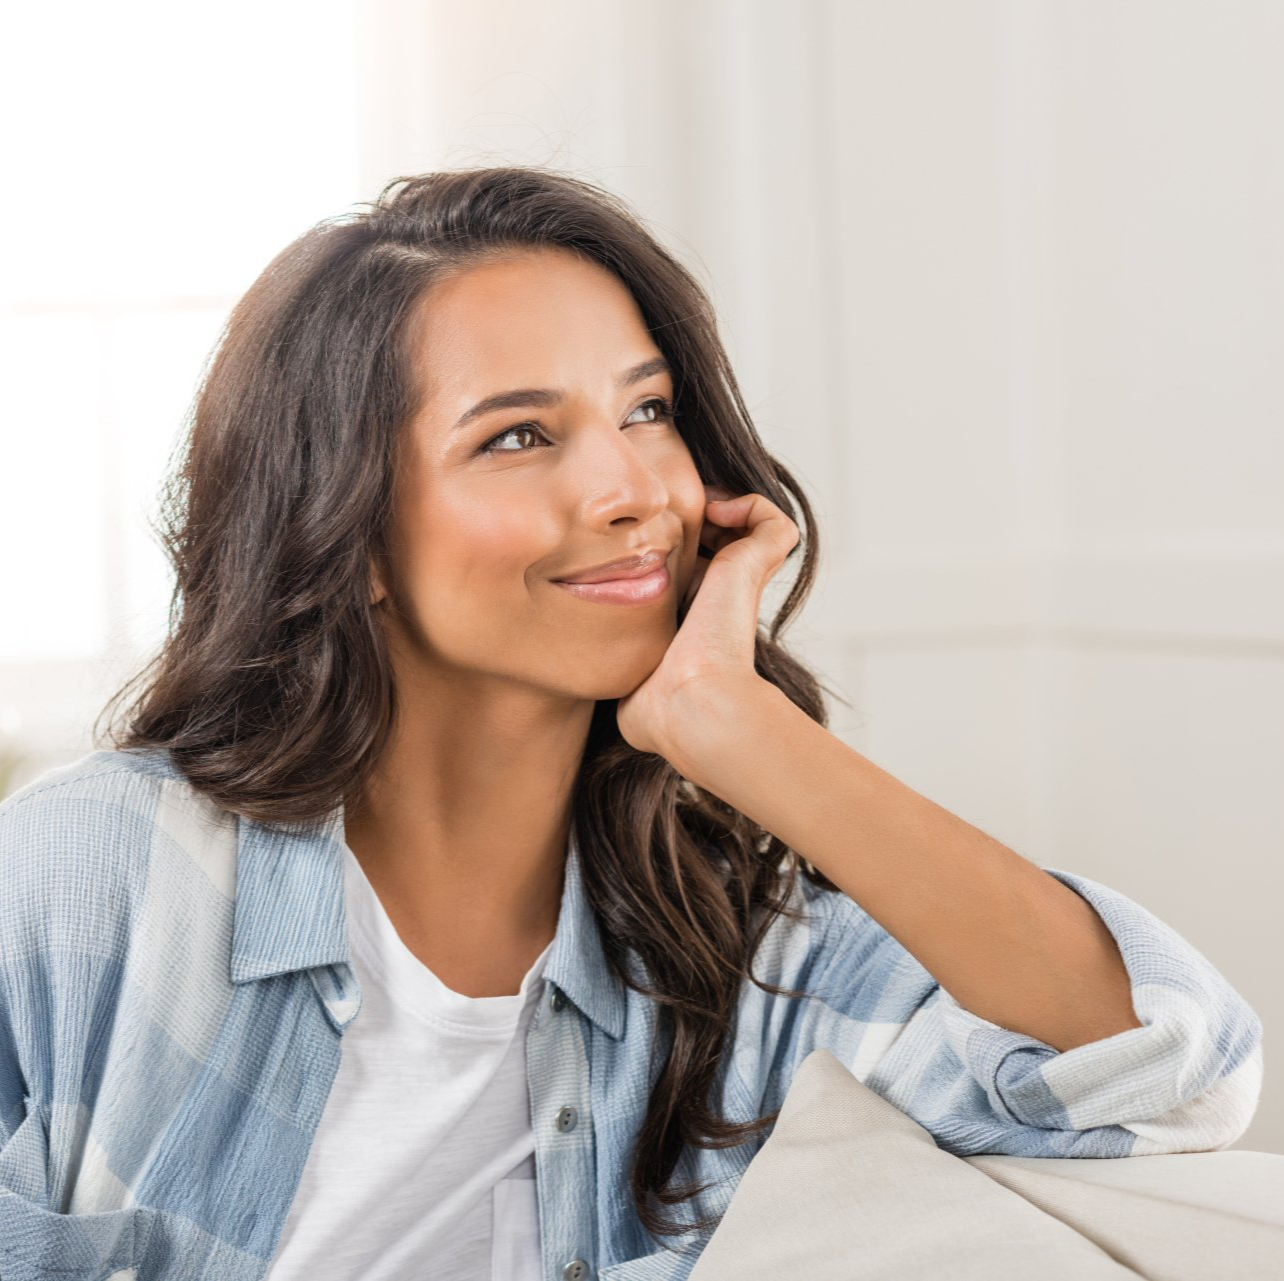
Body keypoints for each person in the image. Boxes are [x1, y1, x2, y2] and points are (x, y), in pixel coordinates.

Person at [0, 167, 1263, 1281]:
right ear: (351, 534)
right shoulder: (99, 874)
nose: (630, 492)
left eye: (647, 411)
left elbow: (1167, 1074)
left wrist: (742, 728)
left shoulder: (726, 954)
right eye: (519, 436)